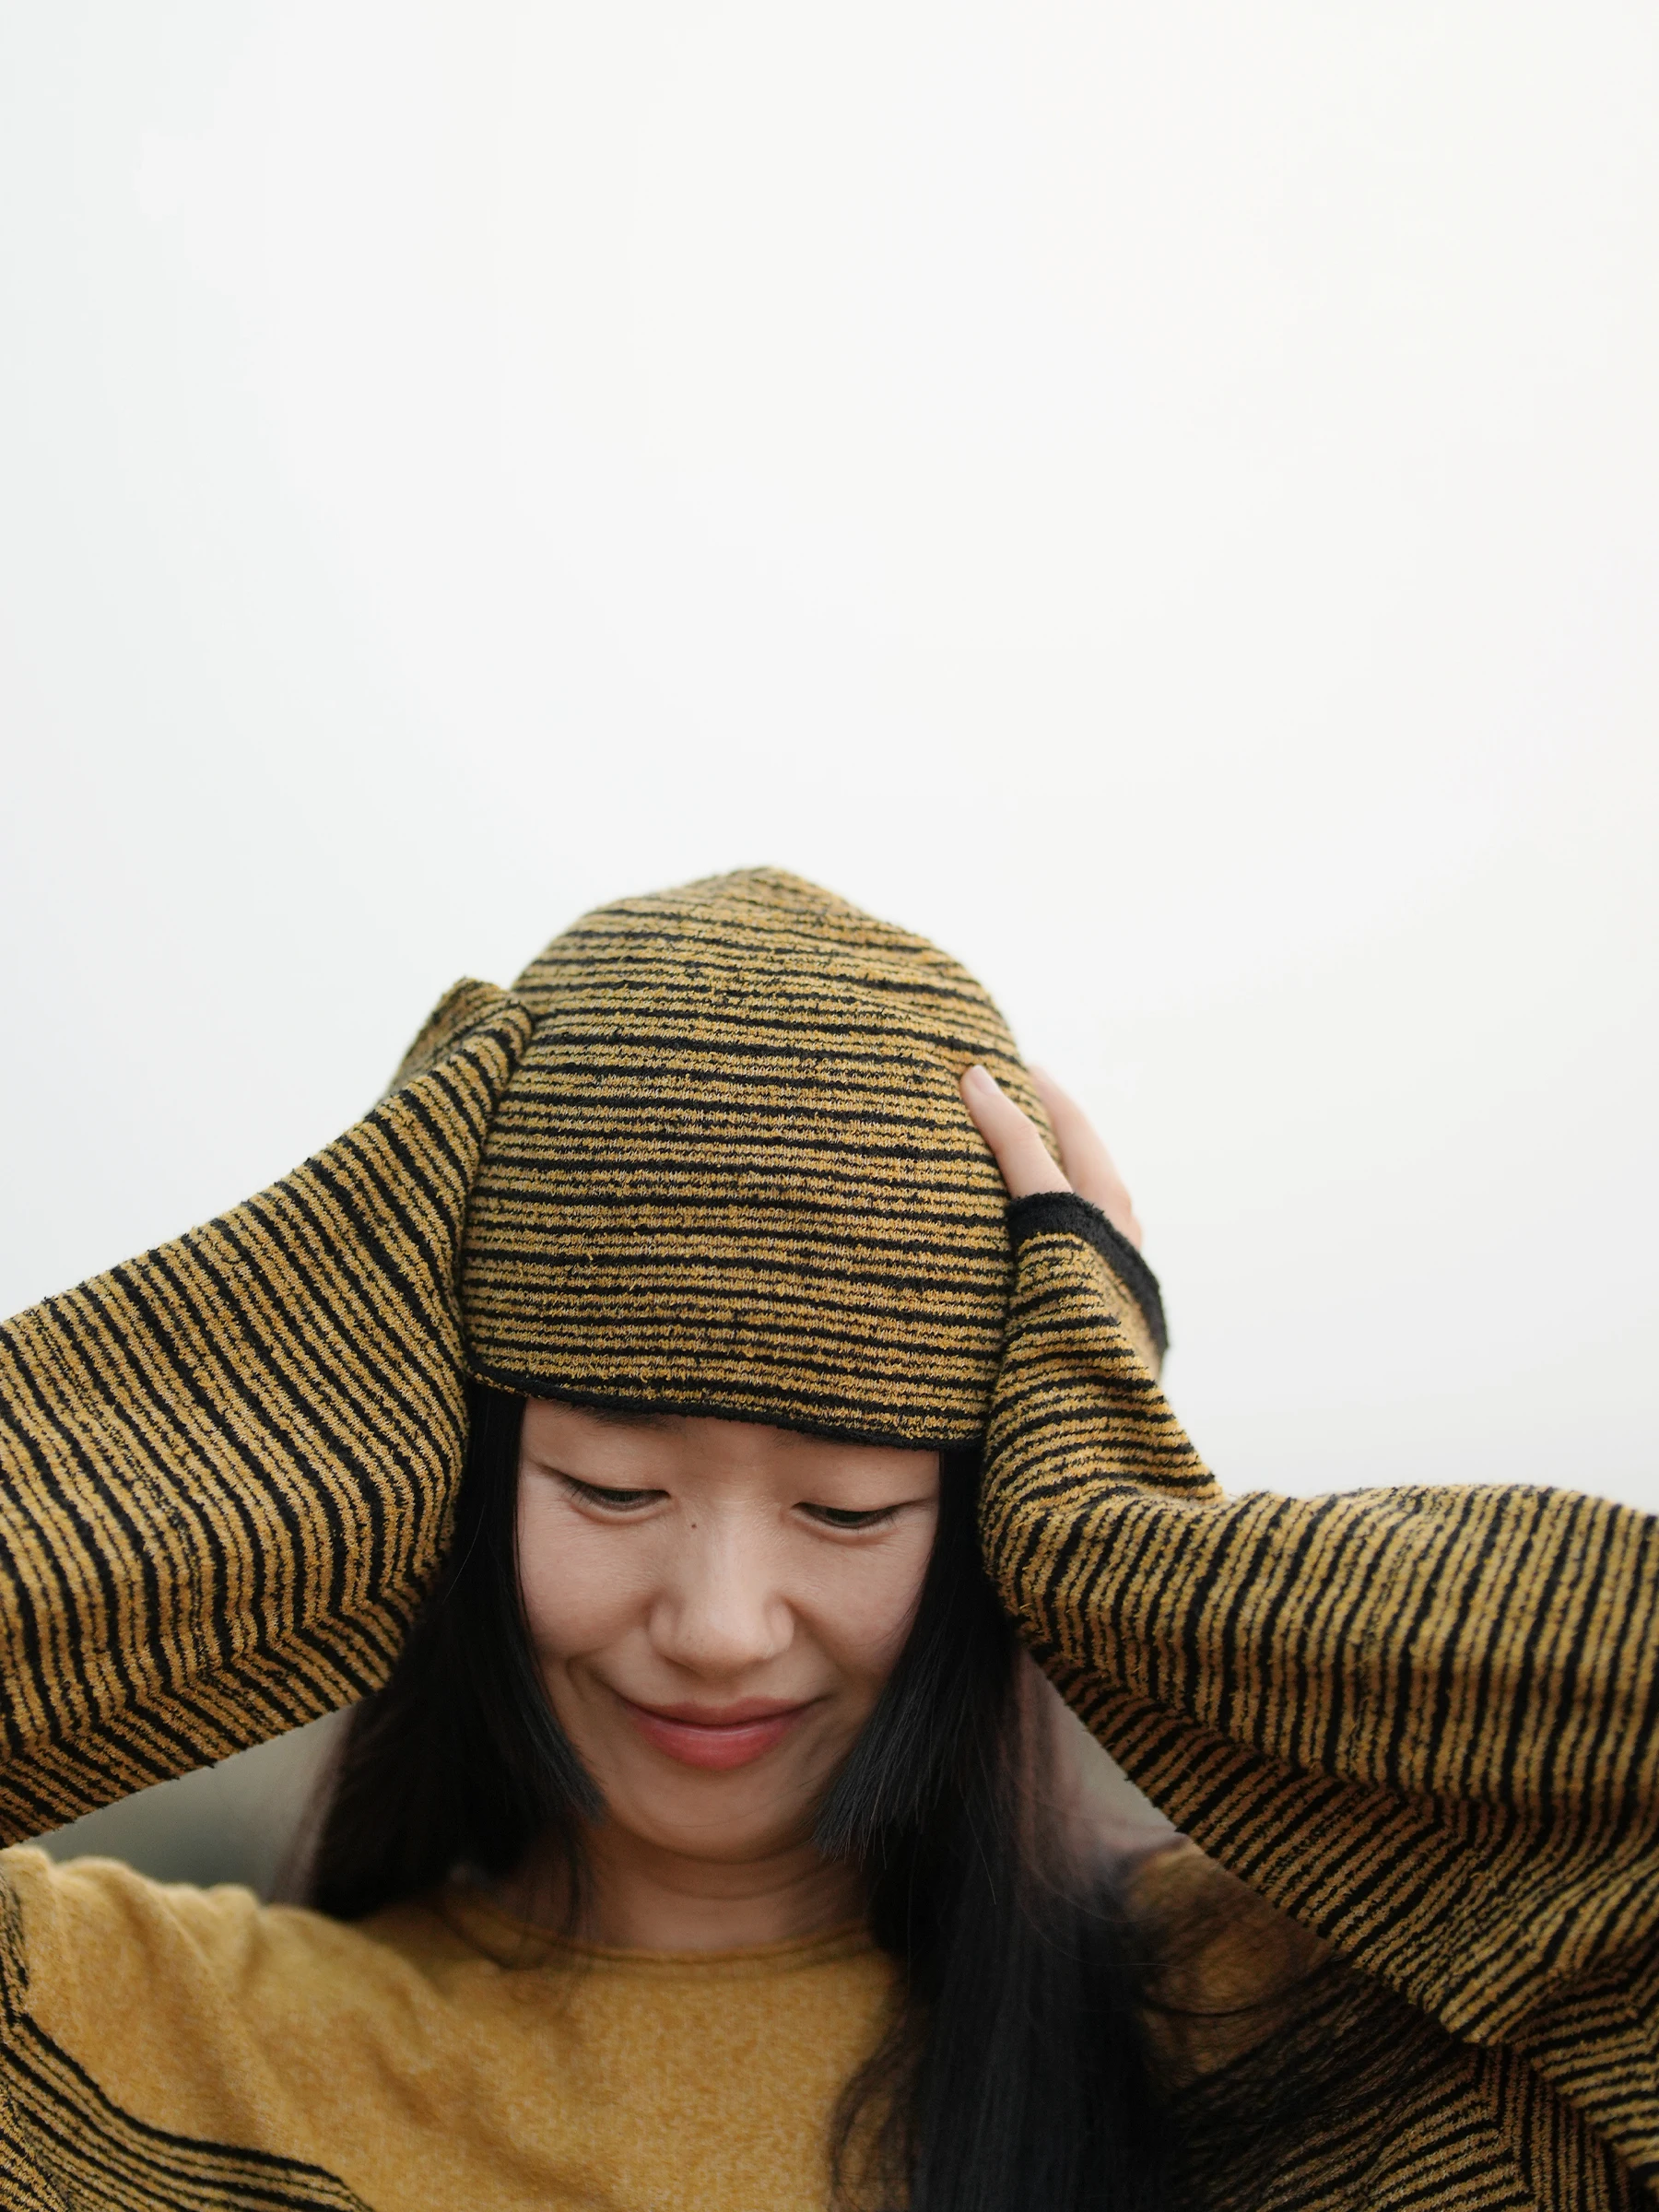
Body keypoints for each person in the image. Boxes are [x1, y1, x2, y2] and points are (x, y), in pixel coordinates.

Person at [0, 866, 1653, 2212]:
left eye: (852, 1507)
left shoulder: (1298, 2050)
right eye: (612, 1490)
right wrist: (307, 1344)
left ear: (998, 1504)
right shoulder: (147, 2053)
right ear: (440, 1461)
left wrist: (1123, 1533)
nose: (722, 1624)